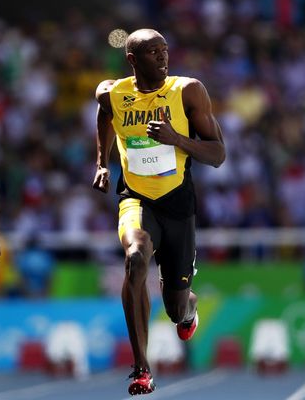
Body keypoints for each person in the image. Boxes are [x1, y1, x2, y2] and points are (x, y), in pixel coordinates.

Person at [92, 28, 225, 395]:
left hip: (178, 205)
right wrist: (102, 163)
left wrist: (177, 139)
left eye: (165, 50)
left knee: (175, 308)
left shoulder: (187, 91)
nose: (163, 58)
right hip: (136, 198)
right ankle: (141, 368)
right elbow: (105, 114)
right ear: (132, 59)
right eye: (153, 52)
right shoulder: (113, 93)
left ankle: (188, 306)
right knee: (135, 258)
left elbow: (218, 153)